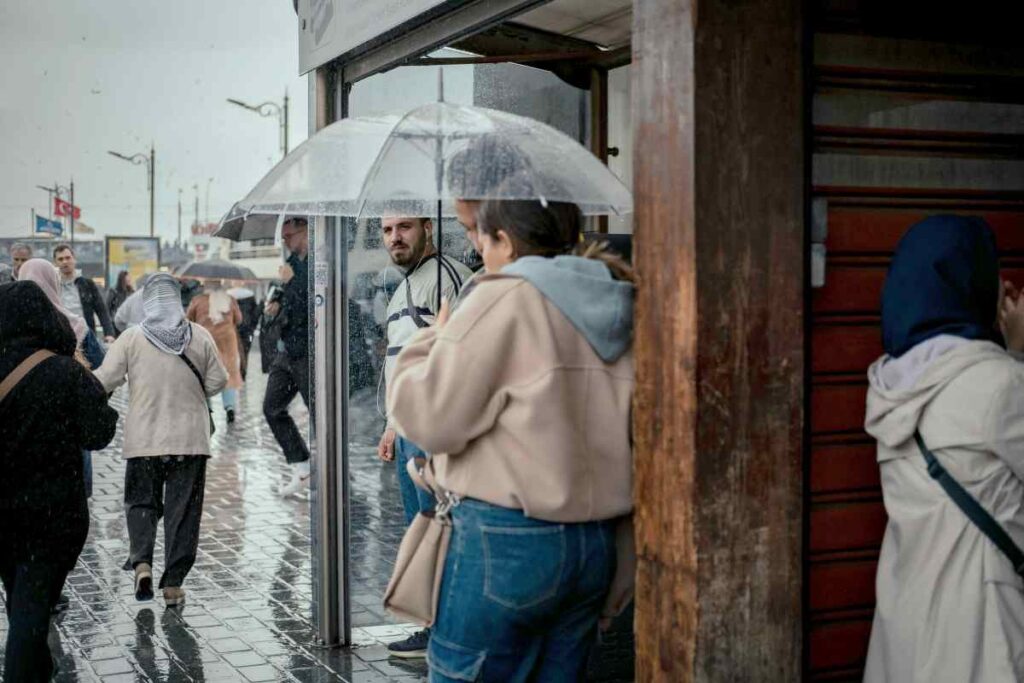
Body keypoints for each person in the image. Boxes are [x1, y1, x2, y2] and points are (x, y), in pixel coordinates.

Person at [387, 197, 634, 680]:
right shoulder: (618, 299)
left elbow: (430, 418)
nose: (478, 247)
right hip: (596, 543)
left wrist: (429, 342)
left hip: (508, 540)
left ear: (506, 240)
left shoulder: (503, 297)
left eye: (483, 235)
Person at [863, 215, 1024, 682]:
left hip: (908, 619)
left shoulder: (892, 383)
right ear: (964, 283)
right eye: (992, 273)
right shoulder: (998, 385)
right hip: (981, 627)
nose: (1005, 285)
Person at [0, 280, 117, 681]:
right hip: (50, 512)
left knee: (20, 596)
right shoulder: (63, 372)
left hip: (4, 512)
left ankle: (37, 666)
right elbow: (99, 434)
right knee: (31, 607)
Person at [94, 274, 228, 608]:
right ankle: (173, 585)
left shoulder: (131, 338)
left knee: (141, 503)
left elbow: (104, 380)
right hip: (189, 441)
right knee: (182, 512)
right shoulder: (199, 336)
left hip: (144, 440)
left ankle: (142, 564)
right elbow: (217, 382)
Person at [377, 214, 471, 658]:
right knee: (422, 532)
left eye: (405, 227)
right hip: (409, 428)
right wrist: (393, 423)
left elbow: (459, 356)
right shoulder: (405, 285)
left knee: (441, 531)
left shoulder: (447, 277)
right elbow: (403, 363)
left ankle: (447, 631)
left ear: (427, 229)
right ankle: (433, 627)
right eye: (387, 230)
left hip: (433, 428)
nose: (395, 237)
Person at [263, 217, 312, 496]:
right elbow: (288, 299)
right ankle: (302, 465)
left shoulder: (318, 260)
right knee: (272, 407)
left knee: (319, 412)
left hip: (308, 348)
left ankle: (335, 468)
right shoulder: (291, 264)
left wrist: (293, 283)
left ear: (305, 233)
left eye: (290, 236)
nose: (286, 242)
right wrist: (275, 303)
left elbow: (317, 300)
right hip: (287, 349)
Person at [187, 279, 244, 424]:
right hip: (227, 342)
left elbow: (188, 319)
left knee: (205, 375)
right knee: (228, 375)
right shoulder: (229, 300)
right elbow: (239, 319)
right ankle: (229, 407)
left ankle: (208, 408)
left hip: (206, 340)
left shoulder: (198, 300)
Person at [52, 243, 116, 348]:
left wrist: (109, 334)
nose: (65, 262)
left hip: (86, 337)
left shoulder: (87, 284)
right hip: (61, 338)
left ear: (74, 259)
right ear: (55, 262)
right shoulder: (53, 285)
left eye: (68, 258)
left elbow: (101, 310)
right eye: (60, 259)